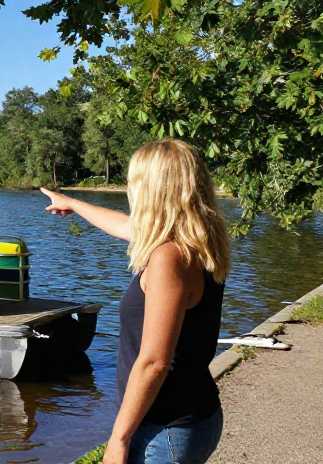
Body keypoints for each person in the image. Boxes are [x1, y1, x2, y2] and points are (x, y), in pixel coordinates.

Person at [40, 140, 230, 464]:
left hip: (164, 429)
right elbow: (121, 224)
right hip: (196, 413)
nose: (129, 190)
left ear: (151, 190)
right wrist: (71, 203)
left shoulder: (169, 258)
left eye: (133, 182)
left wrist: (118, 437)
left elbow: (154, 362)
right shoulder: (196, 240)